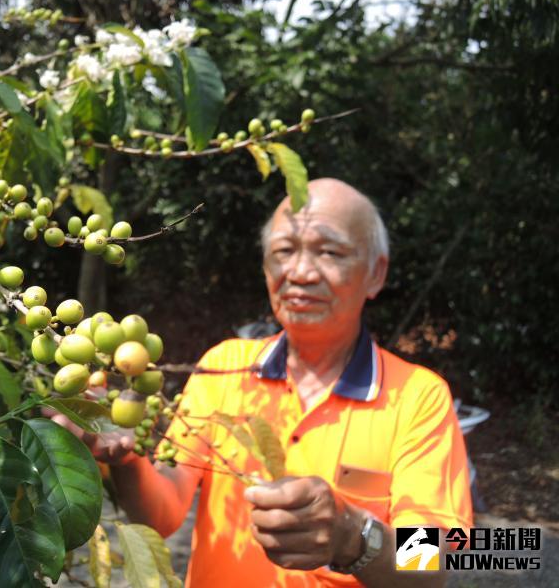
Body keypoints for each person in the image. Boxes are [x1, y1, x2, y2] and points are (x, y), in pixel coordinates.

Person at [63, 178, 472, 587]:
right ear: (265, 268)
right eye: (284, 251)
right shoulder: (225, 367)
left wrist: (354, 537)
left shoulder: (418, 397)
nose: (301, 272)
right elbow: (165, 512)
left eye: (329, 251)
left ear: (375, 273)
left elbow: (438, 561)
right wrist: (128, 460)